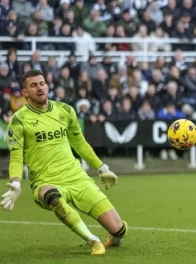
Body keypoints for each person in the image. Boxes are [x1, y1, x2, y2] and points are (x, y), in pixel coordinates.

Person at [0, 69, 127, 255]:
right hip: (46, 182)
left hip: (77, 178)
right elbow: (17, 156)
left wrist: (102, 168)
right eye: (33, 85)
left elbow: (80, 144)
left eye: (42, 83)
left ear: (47, 85)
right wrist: (16, 184)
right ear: (25, 93)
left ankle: (114, 237)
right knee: (50, 194)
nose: (39, 88)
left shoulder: (65, 110)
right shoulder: (18, 120)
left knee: (119, 229)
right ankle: (92, 240)